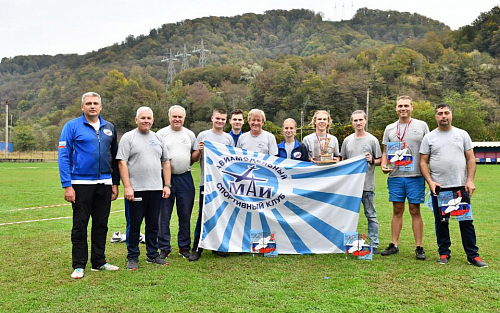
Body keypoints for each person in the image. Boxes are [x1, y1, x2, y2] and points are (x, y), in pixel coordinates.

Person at [58, 92, 120, 279]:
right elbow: (64, 156)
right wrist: (67, 185)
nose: (92, 106)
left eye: (95, 103)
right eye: (88, 103)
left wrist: (115, 183)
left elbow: (115, 157)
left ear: (101, 107)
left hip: (105, 183)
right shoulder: (71, 126)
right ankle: (78, 265)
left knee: (101, 224)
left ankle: (99, 262)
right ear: (82, 107)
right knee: (80, 224)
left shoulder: (109, 127)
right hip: (80, 183)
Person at [420, 104, 487, 267]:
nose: (443, 116)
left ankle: (473, 256)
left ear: (451, 115)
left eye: (446, 113)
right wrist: (430, 181)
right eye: (440, 113)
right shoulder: (429, 137)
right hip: (439, 188)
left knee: (466, 222)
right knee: (441, 222)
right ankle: (444, 253)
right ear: (435, 117)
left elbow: (471, 159)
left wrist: (470, 180)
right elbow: (423, 161)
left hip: (460, 187)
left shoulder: (462, 134)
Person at [117, 107, 172, 270]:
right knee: (134, 225)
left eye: (149, 118)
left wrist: (167, 185)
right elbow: (122, 162)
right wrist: (127, 187)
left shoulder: (158, 138)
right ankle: (132, 256)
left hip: (155, 189)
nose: (146, 121)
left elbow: (166, 162)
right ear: (136, 120)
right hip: (136, 190)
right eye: (143, 118)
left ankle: (152, 255)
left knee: (153, 224)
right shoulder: (128, 138)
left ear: (153, 120)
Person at [380, 96, 429, 260]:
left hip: (415, 175)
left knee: (415, 210)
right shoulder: (389, 128)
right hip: (396, 176)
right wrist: (383, 165)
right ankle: (394, 244)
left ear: (412, 107)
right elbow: (385, 152)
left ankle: (419, 246)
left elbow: (427, 150)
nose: (403, 109)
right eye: (400, 106)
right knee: (397, 210)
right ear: (396, 108)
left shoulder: (421, 126)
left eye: (406, 106)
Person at [189, 109, 235, 261]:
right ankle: (197, 248)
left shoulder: (228, 139)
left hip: (223, 185)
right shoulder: (203, 135)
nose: (220, 121)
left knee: (221, 215)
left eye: (223, 119)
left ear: (226, 120)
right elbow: (193, 159)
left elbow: (232, 161)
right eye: (218, 118)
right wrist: (200, 151)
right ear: (212, 118)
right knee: (203, 215)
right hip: (207, 184)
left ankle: (217, 246)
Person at [157, 105, 197, 259]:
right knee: (164, 215)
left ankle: (184, 247)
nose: (177, 119)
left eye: (180, 117)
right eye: (174, 116)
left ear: (184, 118)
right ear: (169, 117)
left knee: (185, 214)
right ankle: (164, 247)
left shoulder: (190, 134)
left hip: (185, 178)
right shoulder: (161, 134)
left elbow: (193, 156)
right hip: (165, 179)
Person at [340, 110, 382, 253]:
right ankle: (351, 243)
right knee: (349, 216)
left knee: (371, 214)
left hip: (366, 186)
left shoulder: (372, 140)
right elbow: (343, 161)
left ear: (365, 121)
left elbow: (380, 160)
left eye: (360, 120)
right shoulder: (347, 141)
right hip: (350, 187)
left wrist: (372, 161)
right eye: (355, 120)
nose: (358, 123)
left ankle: (374, 243)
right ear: (352, 122)